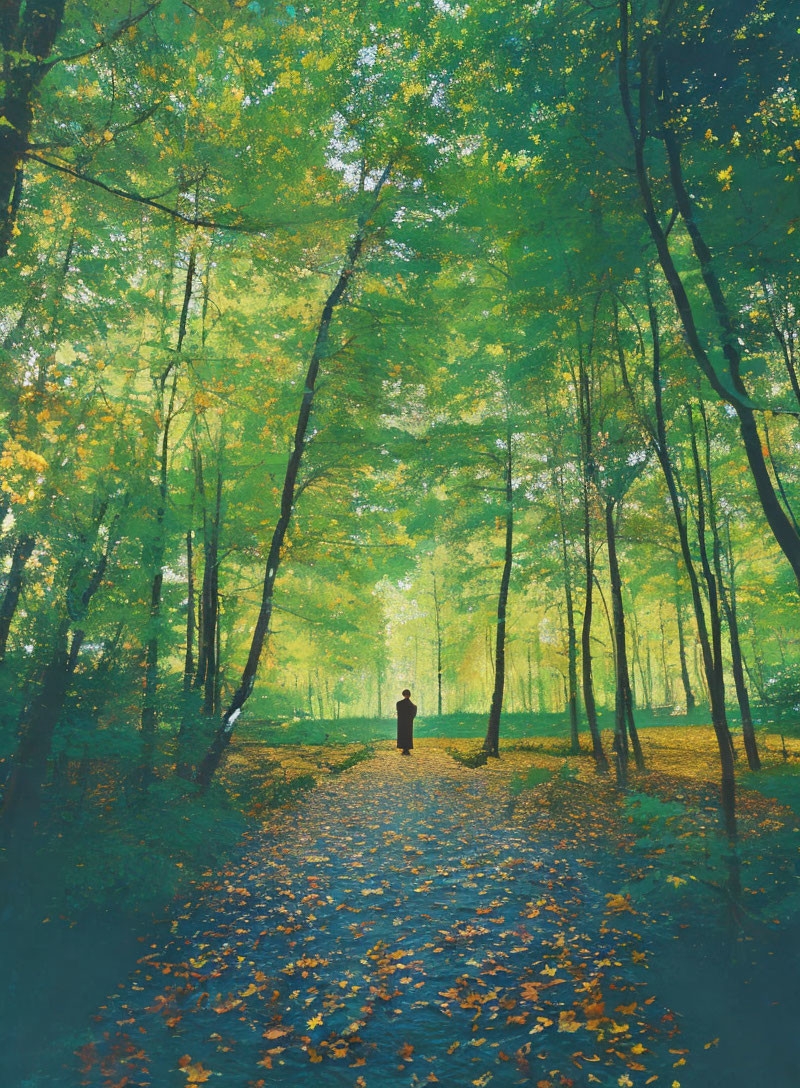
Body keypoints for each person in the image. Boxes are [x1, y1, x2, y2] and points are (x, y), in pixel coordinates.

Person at [396, 688, 417, 755]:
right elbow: (414, 714)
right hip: (408, 723)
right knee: (408, 735)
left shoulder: (399, 703)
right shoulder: (413, 706)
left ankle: (403, 748)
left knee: (402, 734)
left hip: (401, 722)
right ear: (409, 695)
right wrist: (410, 719)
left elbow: (398, 712)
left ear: (403, 695)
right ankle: (407, 749)